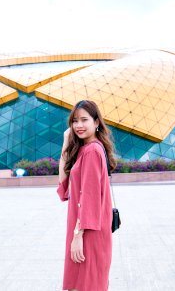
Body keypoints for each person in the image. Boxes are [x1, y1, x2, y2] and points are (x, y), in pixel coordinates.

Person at [57, 100, 117, 291]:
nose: (79, 125)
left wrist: (77, 236)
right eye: (75, 121)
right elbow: (63, 183)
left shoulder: (91, 151)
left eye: (84, 120)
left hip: (87, 233)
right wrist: (66, 144)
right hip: (84, 228)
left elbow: (89, 198)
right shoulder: (85, 149)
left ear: (96, 122)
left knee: (85, 286)